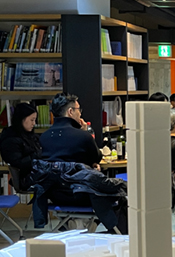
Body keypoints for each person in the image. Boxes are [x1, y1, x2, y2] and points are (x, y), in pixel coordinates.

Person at [30, 93, 127, 232]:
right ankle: (119, 235)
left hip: (55, 195)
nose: (80, 113)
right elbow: (96, 157)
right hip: (82, 194)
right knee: (119, 194)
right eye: (78, 109)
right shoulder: (82, 136)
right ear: (70, 112)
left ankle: (76, 227)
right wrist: (85, 133)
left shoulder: (43, 137)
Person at [0, 103, 42, 190]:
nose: (34, 123)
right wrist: (37, 155)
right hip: (26, 178)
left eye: (35, 120)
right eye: (32, 120)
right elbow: (17, 163)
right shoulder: (10, 140)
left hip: (36, 174)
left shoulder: (31, 136)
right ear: (22, 119)